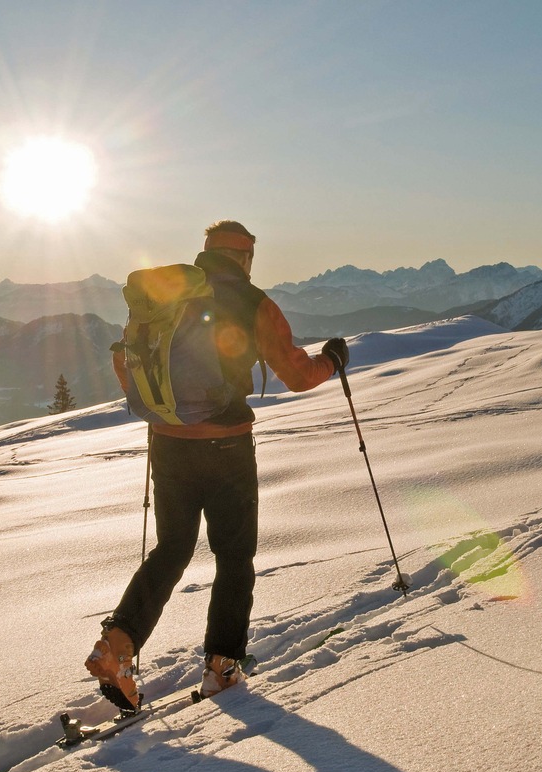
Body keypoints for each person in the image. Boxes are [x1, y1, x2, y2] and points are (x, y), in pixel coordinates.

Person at [86, 220, 349, 710]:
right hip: (227, 448)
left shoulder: (161, 297)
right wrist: (333, 361)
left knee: (172, 548)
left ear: (207, 253)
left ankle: (116, 644)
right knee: (233, 556)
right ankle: (222, 665)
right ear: (246, 257)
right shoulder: (253, 304)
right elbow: (295, 374)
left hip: (168, 445)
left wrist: (170, 410)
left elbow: (129, 368)